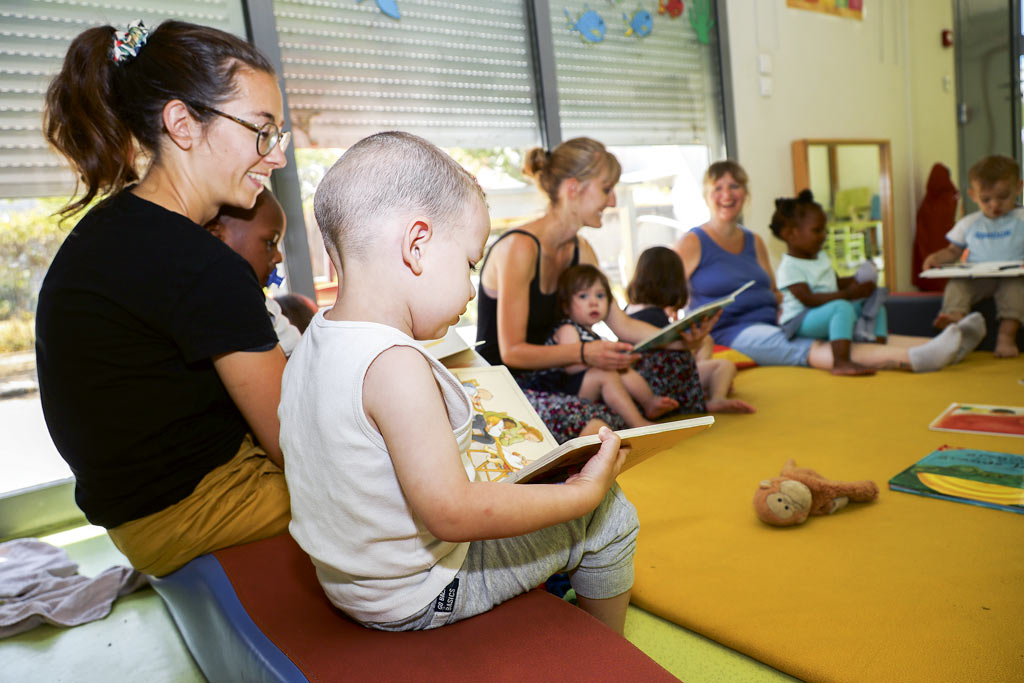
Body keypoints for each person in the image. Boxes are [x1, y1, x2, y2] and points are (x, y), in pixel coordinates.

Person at [280, 131, 638, 635]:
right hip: (420, 593)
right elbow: (451, 514)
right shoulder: (393, 363)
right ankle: (611, 658)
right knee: (612, 516)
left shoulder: (312, 343)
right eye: (469, 263)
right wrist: (584, 495)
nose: (472, 289)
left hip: (350, 584)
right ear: (417, 245)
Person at [36, 20, 292, 577]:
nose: (276, 158)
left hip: (146, 509)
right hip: (191, 511)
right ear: (182, 123)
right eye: (262, 132)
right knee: (413, 481)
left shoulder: (120, 225)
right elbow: (297, 445)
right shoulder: (199, 265)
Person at [475, 137, 712, 443]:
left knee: (675, 364)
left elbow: (622, 324)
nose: (612, 200)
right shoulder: (519, 248)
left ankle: (630, 418)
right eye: (605, 188)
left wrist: (681, 341)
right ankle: (612, 420)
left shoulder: (581, 250)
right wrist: (586, 353)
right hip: (510, 384)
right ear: (573, 188)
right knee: (593, 420)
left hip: (560, 373)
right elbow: (513, 352)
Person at [675, 160, 976, 373]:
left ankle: (943, 343)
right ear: (706, 195)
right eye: (718, 187)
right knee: (822, 343)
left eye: (734, 186)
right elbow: (663, 291)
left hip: (771, 321)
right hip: (732, 332)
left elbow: (775, 290)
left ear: (745, 194)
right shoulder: (694, 241)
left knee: (848, 326)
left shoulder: (754, 241)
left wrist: (802, 310)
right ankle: (914, 358)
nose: (727, 194)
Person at [769, 190, 887, 376]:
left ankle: (876, 347)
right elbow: (809, 299)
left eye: (824, 229)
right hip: (800, 321)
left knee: (874, 303)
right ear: (791, 234)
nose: (823, 235)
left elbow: (835, 283)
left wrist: (859, 282)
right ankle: (841, 362)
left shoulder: (821, 257)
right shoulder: (789, 267)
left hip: (824, 314)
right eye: (817, 230)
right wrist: (849, 294)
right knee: (842, 307)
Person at [624, 246, 755, 413]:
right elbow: (672, 357)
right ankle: (716, 397)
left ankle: (703, 385)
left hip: (640, 382)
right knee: (725, 366)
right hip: (659, 384)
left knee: (706, 341)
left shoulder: (628, 311)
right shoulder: (654, 316)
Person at [547, 264, 679, 428]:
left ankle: (649, 402)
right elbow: (570, 367)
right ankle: (637, 422)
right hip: (565, 391)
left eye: (600, 295)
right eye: (583, 296)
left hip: (583, 385)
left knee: (621, 369)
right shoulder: (567, 329)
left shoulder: (592, 334)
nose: (593, 302)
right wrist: (599, 362)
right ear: (566, 306)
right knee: (606, 372)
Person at [923, 154, 1024, 358]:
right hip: (978, 277)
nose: (994, 205)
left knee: (1014, 292)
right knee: (957, 285)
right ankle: (954, 319)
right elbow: (953, 251)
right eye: (986, 199)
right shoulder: (969, 223)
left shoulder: (1020, 219)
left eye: (1003, 197)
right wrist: (935, 258)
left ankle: (1006, 337)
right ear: (973, 195)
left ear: (1019, 188)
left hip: (1014, 276)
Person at [206, 188, 302, 356]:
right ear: (216, 237)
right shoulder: (232, 308)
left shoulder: (267, 308)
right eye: (270, 243)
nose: (279, 257)